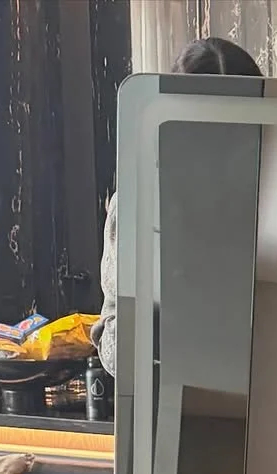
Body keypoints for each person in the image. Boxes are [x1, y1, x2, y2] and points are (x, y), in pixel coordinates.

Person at [91, 37, 262, 378]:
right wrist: (159, 322)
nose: (215, 150)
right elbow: (112, 344)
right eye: (202, 131)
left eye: (232, 132)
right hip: (171, 404)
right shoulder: (138, 203)